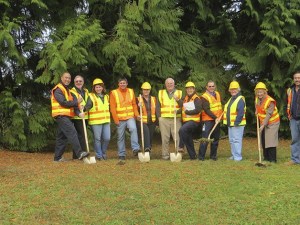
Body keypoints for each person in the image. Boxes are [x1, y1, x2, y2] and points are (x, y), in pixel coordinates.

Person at [51, 72, 89, 162]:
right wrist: (76, 102)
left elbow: (72, 104)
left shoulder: (67, 90)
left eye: (69, 78)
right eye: (66, 78)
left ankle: (57, 158)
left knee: (62, 137)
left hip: (66, 116)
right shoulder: (58, 89)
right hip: (61, 115)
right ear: (61, 78)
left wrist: (79, 112)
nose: (67, 79)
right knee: (72, 132)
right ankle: (79, 153)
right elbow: (63, 102)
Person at [110, 77, 140, 164]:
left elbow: (134, 104)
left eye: (124, 83)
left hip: (130, 116)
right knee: (120, 137)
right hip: (120, 118)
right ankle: (121, 154)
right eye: (121, 83)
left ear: (127, 84)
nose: (122, 84)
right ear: (118, 84)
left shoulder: (131, 91)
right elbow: (112, 107)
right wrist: (115, 119)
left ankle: (135, 149)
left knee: (133, 129)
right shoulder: (114, 93)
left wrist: (137, 115)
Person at [85, 78, 110, 160]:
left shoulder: (107, 96)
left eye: (100, 87)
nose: (98, 89)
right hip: (95, 122)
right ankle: (99, 155)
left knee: (107, 138)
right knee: (97, 139)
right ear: (94, 88)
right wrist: (83, 109)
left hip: (106, 121)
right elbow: (87, 106)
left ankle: (103, 152)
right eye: (96, 87)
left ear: (102, 87)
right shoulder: (91, 96)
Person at [157, 77, 183, 160]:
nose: (169, 85)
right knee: (165, 138)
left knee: (177, 137)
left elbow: (183, 106)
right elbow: (158, 106)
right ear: (165, 85)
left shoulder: (179, 93)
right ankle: (165, 155)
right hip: (164, 119)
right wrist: (159, 117)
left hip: (176, 118)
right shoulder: (161, 93)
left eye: (171, 83)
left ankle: (178, 154)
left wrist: (178, 100)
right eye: (168, 84)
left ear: (174, 84)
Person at [255, 82, 280, 163]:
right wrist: (256, 111)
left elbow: (269, 114)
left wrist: (262, 125)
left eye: (261, 92)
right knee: (263, 139)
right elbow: (258, 107)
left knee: (271, 140)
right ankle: (266, 158)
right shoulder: (257, 99)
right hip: (263, 122)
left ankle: (272, 159)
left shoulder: (270, 101)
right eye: (258, 92)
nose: (259, 94)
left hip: (273, 122)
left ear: (265, 92)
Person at [199, 80, 223, 161]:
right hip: (207, 120)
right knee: (205, 138)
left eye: (213, 86)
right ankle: (201, 157)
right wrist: (215, 117)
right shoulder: (204, 97)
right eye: (209, 86)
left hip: (217, 120)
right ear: (206, 87)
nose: (211, 87)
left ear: (215, 86)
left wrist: (218, 118)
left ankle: (213, 156)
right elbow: (206, 109)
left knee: (215, 139)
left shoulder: (218, 94)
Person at [223, 81, 246, 161]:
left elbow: (241, 112)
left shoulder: (240, 99)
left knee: (236, 140)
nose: (233, 91)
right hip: (231, 124)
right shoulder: (231, 99)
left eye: (235, 89)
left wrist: (236, 122)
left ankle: (238, 157)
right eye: (231, 89)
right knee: (232, 140)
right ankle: (234, 155)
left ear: (238, 89)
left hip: (237, 124)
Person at [178, 82, 202, 160]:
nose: (189, 90)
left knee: (182, 130)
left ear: (194, 89)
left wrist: (188, 112)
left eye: (191, 88)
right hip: (186, 122)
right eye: (188, 89)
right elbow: (183, 108)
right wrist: (177, 111)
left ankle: (181, 146)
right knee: (188, 138)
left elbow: (198, 110)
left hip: (194, 122)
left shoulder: (196, 98)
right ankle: (193, 156)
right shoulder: (185, 98)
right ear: (186, 90)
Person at [70, 75, 89, 159]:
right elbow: (73, 105)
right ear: (74, 83)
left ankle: (79, 154)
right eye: (76, 81)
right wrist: (78, 113)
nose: (78, 82)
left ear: (83, 82)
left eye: (80, 81)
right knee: (80, 135)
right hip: (78, 117)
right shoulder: (72, 92)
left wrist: (84, 109)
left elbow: (89, 102)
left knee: (83, 135)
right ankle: (79, 154)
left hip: (85, 116)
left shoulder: (86, 91)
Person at [136, 82, 157, 153]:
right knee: (146, 132)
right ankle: (147, 148)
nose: (146, 91)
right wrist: (138, 106)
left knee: (150, 136)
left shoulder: (154, 99)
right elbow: (135, 110)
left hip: (152, 121)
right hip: (142, 121)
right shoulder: (138, 99)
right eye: (144, 89)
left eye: (147, 89)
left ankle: (148, 150)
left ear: (150, 90)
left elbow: (156, 110)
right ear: (142, 90)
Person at [286, 71, 300, 165]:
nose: (297, 80)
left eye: (299, 78)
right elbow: (287, 103)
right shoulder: (290, 90)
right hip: (293, 119)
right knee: (295, 139)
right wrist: (289, 115)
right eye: (295, 78)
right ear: (293, 79)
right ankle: (295, 159)